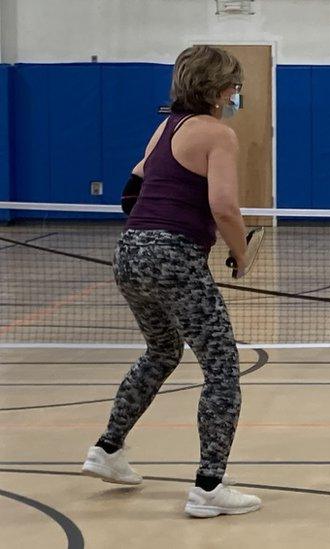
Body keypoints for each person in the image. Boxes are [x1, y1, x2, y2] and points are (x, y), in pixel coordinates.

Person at [80, 45, 261, 518]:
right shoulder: (217, 134)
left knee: (162, 351)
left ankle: (107, 449)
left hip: (129, 254)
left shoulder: (165, 128)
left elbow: (131, 190)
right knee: (222, 366)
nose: (237, 95)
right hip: (173, 258)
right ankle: (208, 487)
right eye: (235, 87)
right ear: (221, 90)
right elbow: (224, 206)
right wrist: (242, 255)